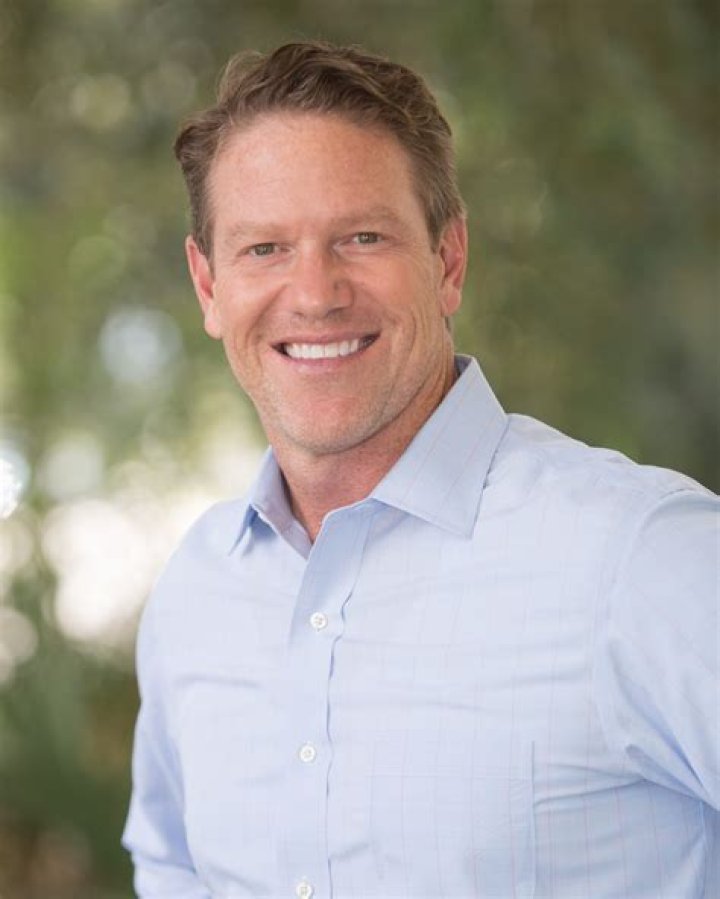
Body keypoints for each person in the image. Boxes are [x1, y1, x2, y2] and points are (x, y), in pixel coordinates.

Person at [122, 41, 719, 899]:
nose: (315, 293)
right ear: (208, 286)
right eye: (264, 249)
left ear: (448, 260)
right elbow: (172, 868)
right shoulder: (197, 593)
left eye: (362, 237)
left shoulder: (645, 558)